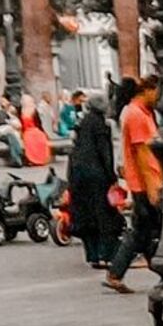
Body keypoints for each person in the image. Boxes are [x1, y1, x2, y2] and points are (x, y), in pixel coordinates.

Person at [104, 77, 163, 294]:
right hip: (143, 183)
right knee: (145, 230)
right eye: (157, 91)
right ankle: (119, 272)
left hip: (142, 182)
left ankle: (120, 272)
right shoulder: (137, 115)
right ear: (147, 90)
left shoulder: (139, 112)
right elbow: (143, 154)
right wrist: (153, 186)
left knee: (145, 230)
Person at [65, 99, 123, 267]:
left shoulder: (81, 123)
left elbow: (74, 151)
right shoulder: (100, 126)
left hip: (78, 176)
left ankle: (92, 254)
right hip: (97, 177)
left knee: (85, 215)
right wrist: (112, 177)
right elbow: (105, 153)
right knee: (102, 215)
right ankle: (106, 253)